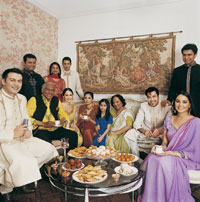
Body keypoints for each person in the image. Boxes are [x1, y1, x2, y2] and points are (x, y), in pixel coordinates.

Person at [0, 68, 58, 202]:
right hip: (4, 142)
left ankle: (21, 178)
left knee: (48, 149)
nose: (16, 84)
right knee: (22, 160)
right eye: (12, 80)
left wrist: (28, 131)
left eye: (19, 81)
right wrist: (12, 133)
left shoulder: (22, 98)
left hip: (22, 139)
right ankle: (5, 188)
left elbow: (26, 119)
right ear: (3, 81)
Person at [139, 91, 200, 202]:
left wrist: (170, 153)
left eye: (184, 102)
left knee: (163, 161)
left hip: (186, 158)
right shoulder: (169, 120)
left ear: (190, 105)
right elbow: (164, 143)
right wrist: (158, 148)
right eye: (177, 101)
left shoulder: (196, 122)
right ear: (174, 103)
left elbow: (196, 152)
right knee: (152, 158)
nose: (180, 105)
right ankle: (153, 198)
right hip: (169, 154)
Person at [27, 82, 78, 151]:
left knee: (73, 135)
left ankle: (70, 158)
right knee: (45, 143)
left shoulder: (56, 100)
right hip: (40, 130)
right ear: (42, 90)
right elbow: (26, 118)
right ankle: (52, 160)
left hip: (55, 129)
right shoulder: (34, 100)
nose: (50, 92)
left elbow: (62, 113)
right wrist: (43, 124)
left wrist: (62, 120)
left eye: (52, 90)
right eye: (47, 89)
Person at [124, 87, 171, 157]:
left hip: (160, 134)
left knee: (170, 135)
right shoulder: (143, 106)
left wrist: (160, 131)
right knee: (129, 134)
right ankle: (136, 157)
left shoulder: (166, 106)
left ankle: (160, 158)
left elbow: (169, 125)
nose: (152, 100)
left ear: (158, 96)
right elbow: (136, 123)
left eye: (154, 96)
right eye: (149, 97)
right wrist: (144, 131)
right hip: (145, 133)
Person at [162, 43, 200, 118]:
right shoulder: (177, 71)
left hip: (197, 105)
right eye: (184, 55)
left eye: (189, 55)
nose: (186, 57)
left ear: (195, 55)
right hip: (181, 106)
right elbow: (173, 88)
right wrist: (169, 100)